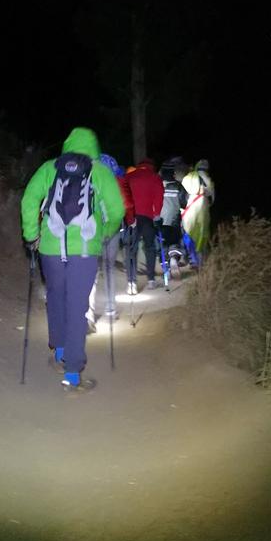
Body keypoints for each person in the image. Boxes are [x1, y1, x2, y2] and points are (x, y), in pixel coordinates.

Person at [20, 127, 124, 392]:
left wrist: (32, 235)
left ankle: (59, 353)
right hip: (85, 250)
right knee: (77, 308)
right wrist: (105, 233)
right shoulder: (100, 172)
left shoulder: (48, 168)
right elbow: (116, 209)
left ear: (67, 145)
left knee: (55, 297)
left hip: (51, 248)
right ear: (94, 147)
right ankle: (73, 375)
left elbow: (29, 201)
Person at [86, 153, 135, 330]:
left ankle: (89, 314)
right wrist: (130, 221)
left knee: (91, 271)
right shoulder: (118, 182)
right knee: (108, 268)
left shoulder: (88, 181)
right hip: (112, 230)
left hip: (91, 231)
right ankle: (111, 308)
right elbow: (128, 205)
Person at [125, 158, 165, 293]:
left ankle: (132, 282)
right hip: (148, 217)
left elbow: (124, 195)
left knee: (132, 249)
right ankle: (151, 280)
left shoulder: (129, 176)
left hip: (132, 217)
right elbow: (159, 197)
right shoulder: (155, 178)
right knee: (150, 247)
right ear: (151, 166)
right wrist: (157, 214)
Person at [159, 156, 189, 262]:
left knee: (162, 241)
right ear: (173, 172)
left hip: (159, 220)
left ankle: (165, 261)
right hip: (174, 220)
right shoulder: (178, 186)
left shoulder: (157, 185)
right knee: (175, 239)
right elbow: (184, 203)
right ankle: (173, 257)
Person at [180, 167, 210, 268]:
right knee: (201, 236)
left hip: (189, 212)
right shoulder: (204, 184)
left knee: (188, 235)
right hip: (202, 210)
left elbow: (181, 200)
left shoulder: (185, 183)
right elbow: (211, 196)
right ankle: (200, 261)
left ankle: (193, 259)